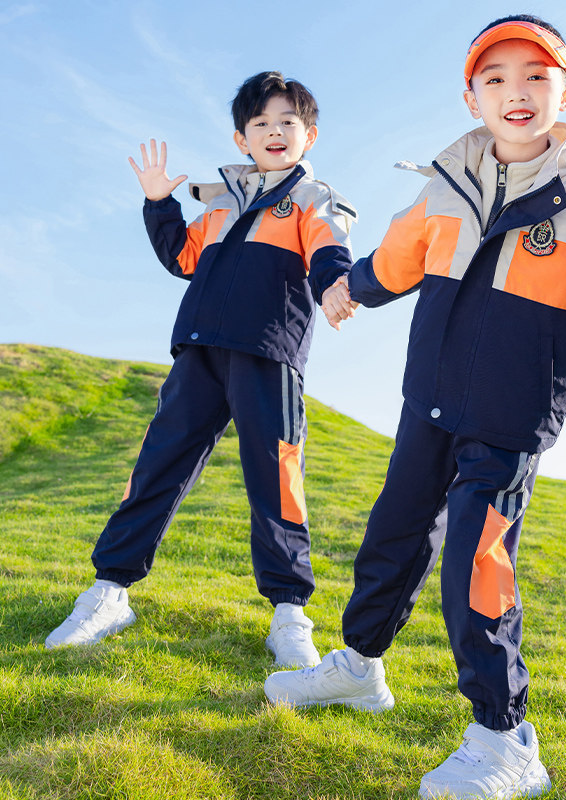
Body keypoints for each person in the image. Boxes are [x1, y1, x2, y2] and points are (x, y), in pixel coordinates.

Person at [264, 14, 566, 799]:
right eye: (495, 78)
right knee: (391, 540)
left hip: (508, 420)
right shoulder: (444, 187)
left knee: (475, 568)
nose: (515, 91)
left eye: (536, 77)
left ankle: (506, 739)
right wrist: (343, 289)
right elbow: (395, 262)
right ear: (473, 99)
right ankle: (359, 667)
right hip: (428, 403)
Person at [45, 71, 357, 668]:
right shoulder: (218, 202)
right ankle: (109, 593)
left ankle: (290, 615)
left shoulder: (313, 197)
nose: (273, 131)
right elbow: (183, 258)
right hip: (199, 351)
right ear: (242, 138)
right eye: (260, 123)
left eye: (287, 122)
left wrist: (334, 286)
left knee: (276, 479)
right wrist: (159, 202)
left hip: (268, 353)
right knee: (157, 466)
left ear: (308, 135)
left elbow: (327, 249)